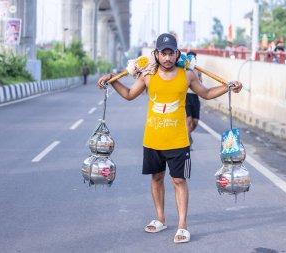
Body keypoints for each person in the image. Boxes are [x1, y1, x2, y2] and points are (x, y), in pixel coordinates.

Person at [97, 33, 243, 244]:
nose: (167, 58)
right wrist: (112, 81)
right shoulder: (147, 75)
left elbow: (207, 93)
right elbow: (129, 95)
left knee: (178, 180)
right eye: (163, 53)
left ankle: (182, 226)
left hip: (178, 139)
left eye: (171, 53)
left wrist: (227, 86)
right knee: (156, 178)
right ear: (156, 54)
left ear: (177, 54)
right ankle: (160, 219)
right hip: (153, 138)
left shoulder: (188, 75)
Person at [185, 51, 202, 149]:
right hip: (186, 96)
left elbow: (201, 83)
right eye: (190, 58)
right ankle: (187, 143)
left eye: (194, 58)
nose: (192, 60)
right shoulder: (184, 69)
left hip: (195, 96)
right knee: (189, 120)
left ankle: (186, 134)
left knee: (195, 122)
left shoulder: (198, 70)